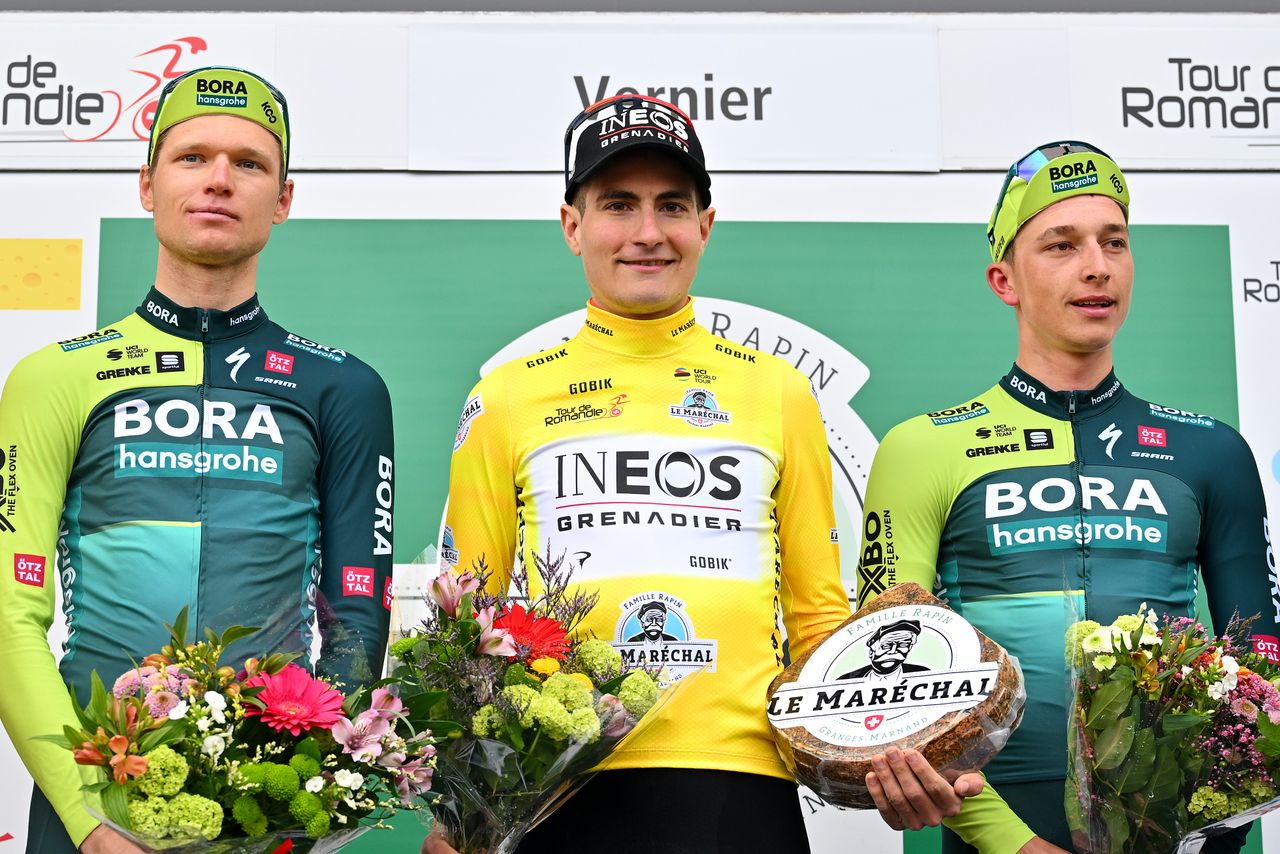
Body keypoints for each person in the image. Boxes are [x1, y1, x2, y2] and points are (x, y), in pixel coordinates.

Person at [426, 94, 979, 854]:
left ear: (705, 227)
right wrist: (456, 811)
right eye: (618, 205)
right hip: (556, 784)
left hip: (741, 783)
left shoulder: (780, 389)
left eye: (672, 206)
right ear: (572, 225)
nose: (648, 233)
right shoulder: (506, 396)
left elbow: (818, 623)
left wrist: (890, 749)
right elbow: (466, 627)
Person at [0, 66, 395, 854]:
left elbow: (355, 613)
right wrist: (87, 820)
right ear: (147, 186)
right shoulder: (55, 376)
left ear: (283, 199)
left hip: (264, 815)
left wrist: (308, 787)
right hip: (93, 808)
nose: (219, 179)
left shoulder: (343, 387)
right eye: (193, 158)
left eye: (249, 163)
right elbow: (11, 612)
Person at [855, 140, 1279, 853]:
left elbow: (1263, 672)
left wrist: (1211, 829)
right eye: (1062, 244)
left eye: (1114, 242)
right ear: (1004, 279)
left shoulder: (1213, 451)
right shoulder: (921, 449)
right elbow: (886, 681)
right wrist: (1011, 846)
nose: (1097, 266)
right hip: (997, 834)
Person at [837, 620, 930, 681]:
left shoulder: (924, 676)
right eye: (886, 645)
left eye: (903, 645)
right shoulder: (846, 680)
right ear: (871, 652)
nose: (893, 651)